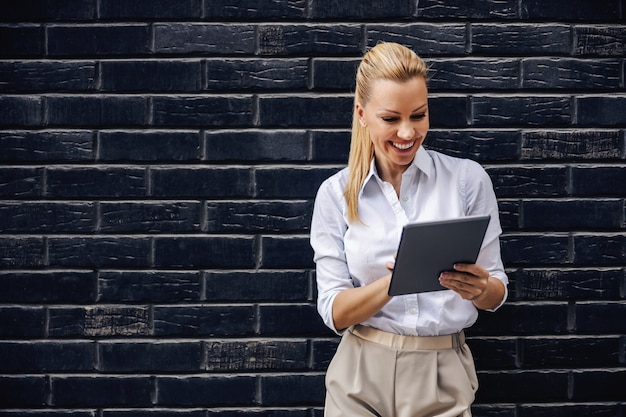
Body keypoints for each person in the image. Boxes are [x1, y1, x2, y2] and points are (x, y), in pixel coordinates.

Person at [309, 42, 508, 417]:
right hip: (359, 374)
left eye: (418, 115)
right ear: (362, 114)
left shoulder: (466, 181)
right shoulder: (335, 194)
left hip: (440, 372)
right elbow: (334, 311)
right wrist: (397, 280)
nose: (407, 132)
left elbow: (496, 292)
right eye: (390, 118)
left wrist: (481, 288)